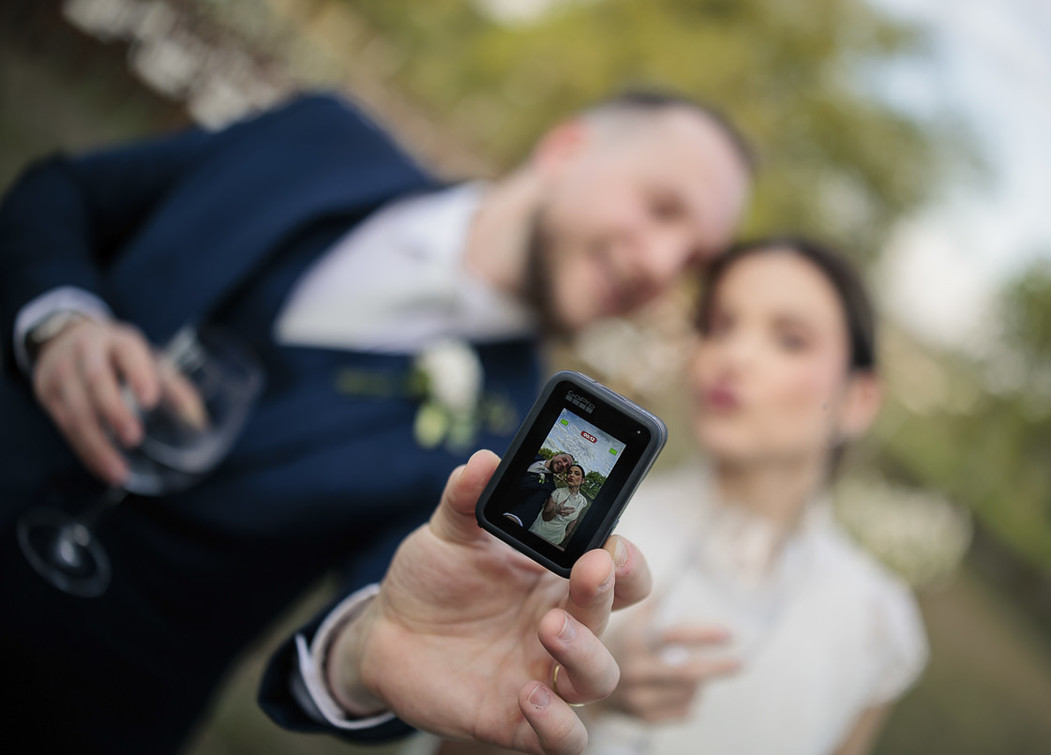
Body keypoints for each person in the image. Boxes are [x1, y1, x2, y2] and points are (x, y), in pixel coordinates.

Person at [0, 88, 752, 753]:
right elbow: (59, 194)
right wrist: (61, 320)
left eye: (691, 260)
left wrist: (364, 656)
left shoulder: (536, 450)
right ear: (567, 149)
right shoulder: (322, 136)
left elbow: (393, 614)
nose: (662, 264)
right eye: (662, 209)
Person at [580, 238, 929, 754]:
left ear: (859, 400)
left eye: (790, 339)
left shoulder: (880, 624)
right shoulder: (589, 525)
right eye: (719, 327)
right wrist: (577, 694)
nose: (733, 356)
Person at [506, 452, 575, 527]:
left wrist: (514, 519)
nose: (564, 465)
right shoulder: (532, 454)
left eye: (567, 466)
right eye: (564, 460)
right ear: (555, 456)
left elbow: (530, 507)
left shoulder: (549, 487)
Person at [531, 463, 589, 546]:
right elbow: (545, 517)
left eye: (576, 473)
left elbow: (575, 519)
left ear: (583, 480)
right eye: (569, 472)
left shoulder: (583, 501)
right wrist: (556, 510)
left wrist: (567, 533)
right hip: (539, 532)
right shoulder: (557, 493)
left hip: (556, 539)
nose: (571, 475)